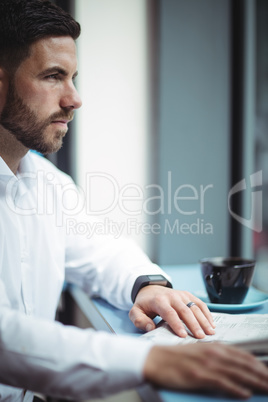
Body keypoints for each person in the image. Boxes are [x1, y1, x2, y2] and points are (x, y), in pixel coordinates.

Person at [0, 0, 267, 401]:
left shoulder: (43, 180)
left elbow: (100, 249)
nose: (74, 99)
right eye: (54, 77)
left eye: (74, 77)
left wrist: (148, 285)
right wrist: (148, 362)